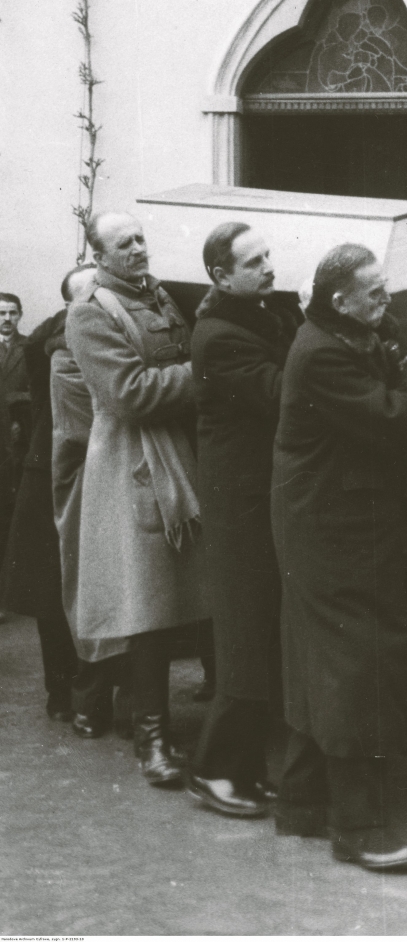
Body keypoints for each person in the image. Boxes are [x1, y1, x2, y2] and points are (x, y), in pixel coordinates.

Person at [271, 243, 407, 871]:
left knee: (330, 663)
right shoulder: (322, 353)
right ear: (340, 300)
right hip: (332, 532)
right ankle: (357, 825)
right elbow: (394, 418)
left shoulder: (340, 332)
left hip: (337, 524)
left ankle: (301, 803)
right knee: (355, 668)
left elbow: (382, 364)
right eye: (376, 293)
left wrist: (402, 358)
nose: (387, 300)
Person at [66, 211, 208, 787]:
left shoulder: (158, 294)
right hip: (135, 465)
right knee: (147, 607)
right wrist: (207, 372)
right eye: (124, 244)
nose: (139, 249)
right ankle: (151, 740)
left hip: (182, 455)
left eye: (141, 238)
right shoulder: (89, 312)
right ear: (99, 255)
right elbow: (129, 395)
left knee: (189, 597)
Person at [186, 222, 301, 817]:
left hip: (261, 497)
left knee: (258, 635)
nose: (269, 267)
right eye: (254, 262)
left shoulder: (259, 316)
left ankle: (244, 771)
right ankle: (214, 771)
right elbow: (284, 393)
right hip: (240, 506)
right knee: (245, 642)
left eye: (268, 256)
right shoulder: (219, 337)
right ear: (221, 276)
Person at [50, 264, 132, 737]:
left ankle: (133, 703)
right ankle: (92, 704)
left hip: (117, 473)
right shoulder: (64, 357)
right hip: (87, 481)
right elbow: (90, 424)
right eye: (88, 294)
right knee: (93, 590)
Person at [1, 294, 79, 720]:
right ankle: (60, 690)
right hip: (46, 473)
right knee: (51, 591)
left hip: (90, 473)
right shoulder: (45, 349)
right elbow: (35, 346)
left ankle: (92, 690)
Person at [0, 293, 30, 571]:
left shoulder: (30, 348)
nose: (7, 319)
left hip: (18, 437)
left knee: (14, 506)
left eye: (12, 313)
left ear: (20, 315)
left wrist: (18, 413)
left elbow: (37, 392)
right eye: (1, 313)